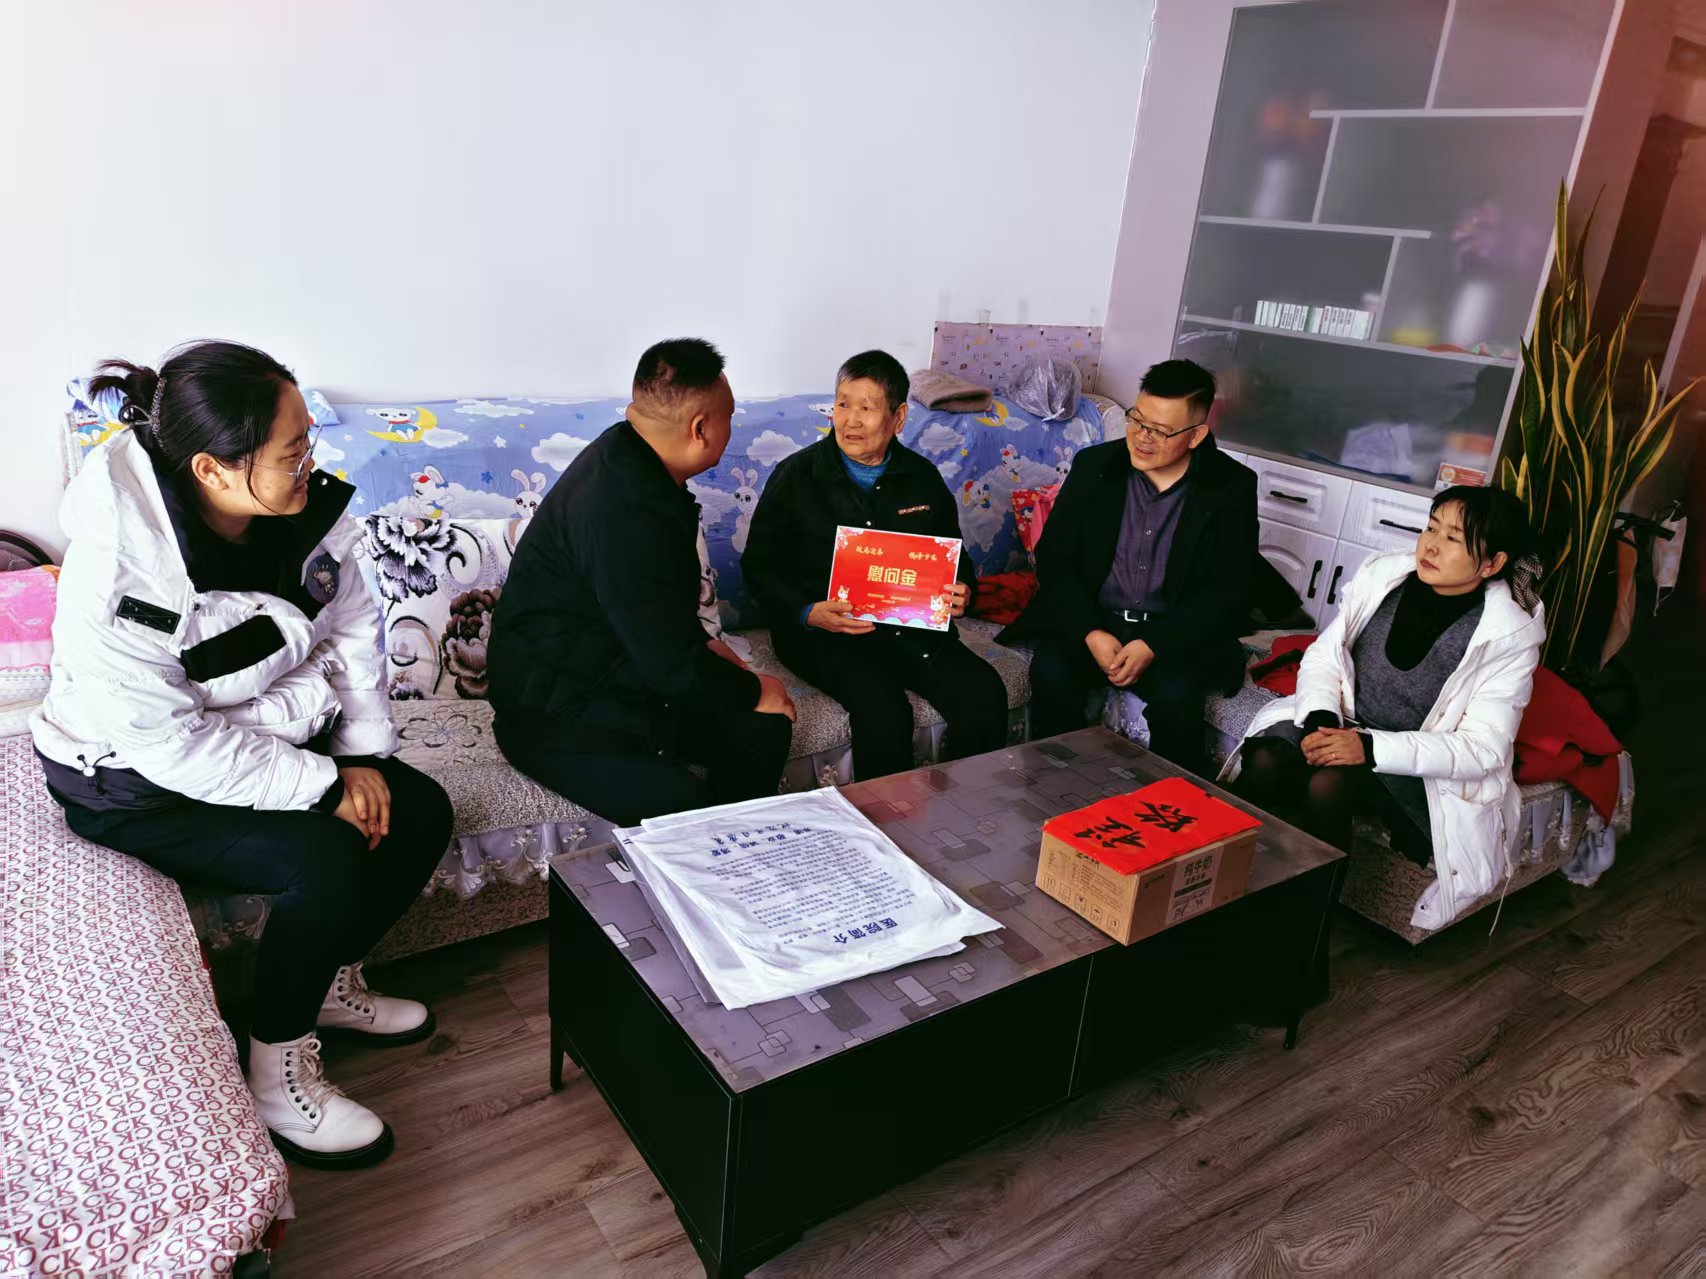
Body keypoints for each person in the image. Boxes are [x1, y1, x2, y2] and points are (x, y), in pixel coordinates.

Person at [33, 341, 453, 1171]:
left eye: (308, 442)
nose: (311, 464)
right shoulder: (123, 573)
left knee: (420, 810)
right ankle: (277, 1078)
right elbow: (169, 743)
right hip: (128, 776)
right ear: (214, 470)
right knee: (326, 854)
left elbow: (353, 629)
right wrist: (324, 785)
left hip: (256, 733)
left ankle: (327, 986)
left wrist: (361, 756)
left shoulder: (298, 513)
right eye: (292, 451)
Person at [489, 338, 794, 824]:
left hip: (624, 678)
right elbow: (669, 662)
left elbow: (658, 617)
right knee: (682, 810)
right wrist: (754, 689)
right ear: (700, 428)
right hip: (557, 714)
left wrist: (717, 656)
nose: (731, 428)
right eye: (729, 416)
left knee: (763, 732)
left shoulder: (631, 455)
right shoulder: (624, 505)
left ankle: (744, 854)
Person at [1228, 486, 1545, 931]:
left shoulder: (1507, 635)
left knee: (1328, 784)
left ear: (1492, 563)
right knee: (1264, 760)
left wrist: (1367, 748)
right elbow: (1325, 654)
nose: (1431, 545)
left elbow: (1484, 749)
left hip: (1415, 767)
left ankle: (1305, 932)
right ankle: (1222, 897)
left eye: (1453, 538)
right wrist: (1322, 721)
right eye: (1431, 528)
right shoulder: (1386, 577)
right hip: (1344, 725)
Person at [742, 350, 1007, 780]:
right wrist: (808, 612)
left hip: (909, 627)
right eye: (842, 404)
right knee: (884, 712)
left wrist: (963, 591)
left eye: (866, 408)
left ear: (898, 418)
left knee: (983, 693)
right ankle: (884, 820)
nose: (850, 420)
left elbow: (955, 557)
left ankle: (967, 806)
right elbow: (759, 567)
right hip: (826, 634)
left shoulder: (921, 478)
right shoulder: (796, 476)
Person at [1000, 358, 1257, 776]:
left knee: (1178, 697)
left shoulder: (1231, 487)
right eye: (1137, 420)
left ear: (1196, 435)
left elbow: (1229, 588)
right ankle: (1053, 792)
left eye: (1160, 430)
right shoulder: (1094, 466)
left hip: (1172, 632)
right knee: (1052, 673)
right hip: (1095, 619)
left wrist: (1153, 644)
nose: (1141, 438)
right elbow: (1056, 557)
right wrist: (1090, 631)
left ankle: (1170, 804)